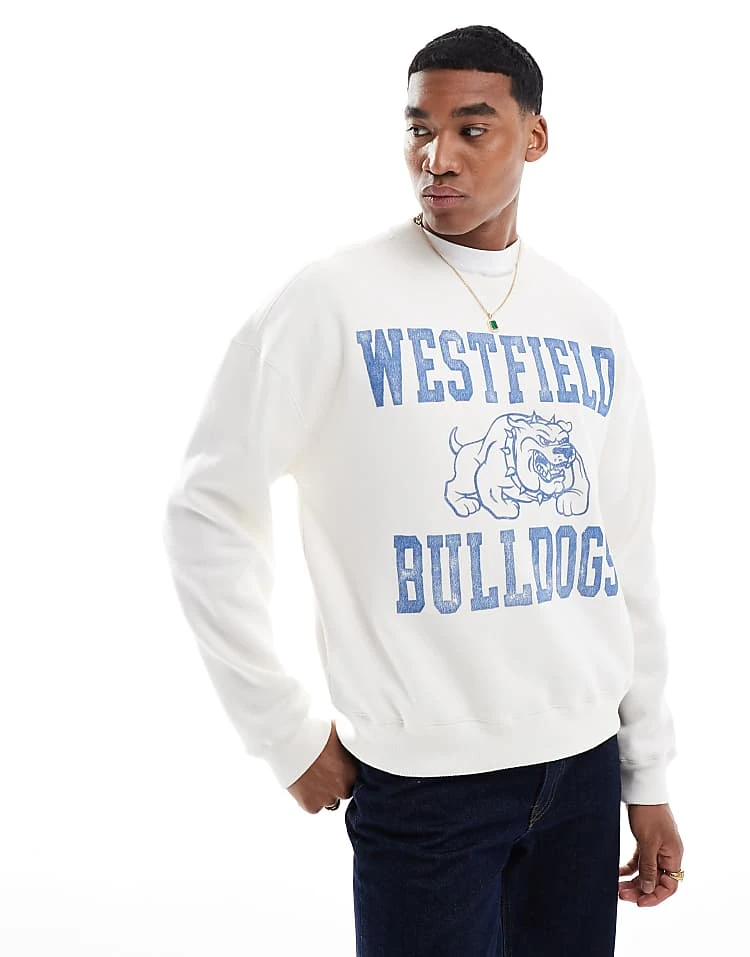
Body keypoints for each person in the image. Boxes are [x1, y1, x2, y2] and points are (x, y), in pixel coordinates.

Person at [162, 23, 685, 956]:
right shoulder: (331, 300)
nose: (436, 157)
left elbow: (627, 550)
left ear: (535, 137)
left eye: (471, 129)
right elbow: (207, 510)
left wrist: (645, 774)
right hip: (425, 787)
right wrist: (283, 732)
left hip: (581, 772)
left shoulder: (588, 320)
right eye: (419, 129)